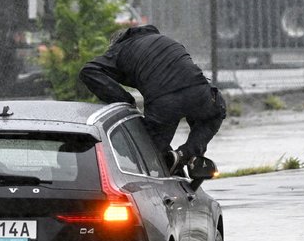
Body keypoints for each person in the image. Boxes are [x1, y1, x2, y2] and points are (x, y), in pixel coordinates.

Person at [79, 25, 226, 174]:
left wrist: (125, 101)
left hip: (163, 103)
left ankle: (163, 170)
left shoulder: (120, 49)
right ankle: (184, 155)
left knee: (150, 153)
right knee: (214, 113)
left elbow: (89, 71)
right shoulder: (166, 41)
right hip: (199, 91)